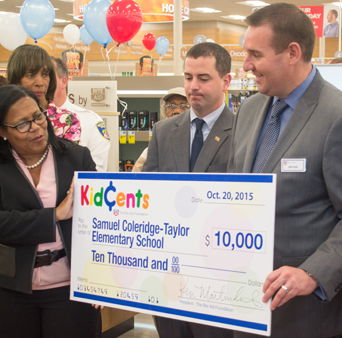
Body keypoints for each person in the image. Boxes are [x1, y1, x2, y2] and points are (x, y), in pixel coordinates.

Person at [227, 3, 342, 338]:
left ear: (292, 52)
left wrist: (311, 273)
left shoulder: (340, 117)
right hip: (245, 306)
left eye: (255, 54)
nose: (246, 66)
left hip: (306, 318)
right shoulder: (250, 109)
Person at [0, 85, 100, 338]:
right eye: (22, 124)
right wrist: (54, 215)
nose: (36, 127)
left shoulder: (76, 157)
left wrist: (101, 277)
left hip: (70, 288)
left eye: (38, 116)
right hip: (10, 290)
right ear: (2, 131)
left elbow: (98, 220)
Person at [143, 42, 234, 338]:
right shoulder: (164, 131)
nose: (192, 86)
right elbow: (150, 196)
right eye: (187, 77)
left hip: (219, 276)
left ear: (226, 81)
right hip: (170, 275)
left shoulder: (246, 132)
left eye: (203, 78)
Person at [7, 45, 81, 144]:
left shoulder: (67, 120)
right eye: (30, 75)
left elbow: (72, 158)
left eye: (45, 74)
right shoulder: (5, 116)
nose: (40, 83)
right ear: (16, 79)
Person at [51, 57, 110, 172]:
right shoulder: (34, 120)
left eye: (48, 77)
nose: (42, 83)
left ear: (63, 82)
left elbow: (97, 171)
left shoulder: (90, 121)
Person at [132, 87, 189, 172]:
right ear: (165, 111)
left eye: (183, 106)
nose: (176, 111)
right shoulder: (155, 148)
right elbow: (137, 176)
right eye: (171, 106)